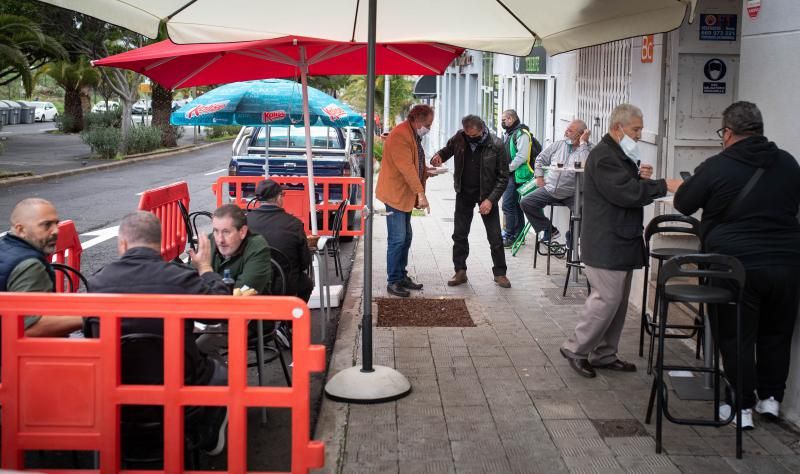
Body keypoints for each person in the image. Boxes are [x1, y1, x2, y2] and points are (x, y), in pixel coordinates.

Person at [674, 101, 800, 428]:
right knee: (777, 332)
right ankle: (771, 400)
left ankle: (741, 407)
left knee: (736, 334)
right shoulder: (788, 163)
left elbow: (684, 203)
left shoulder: (717, 166)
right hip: (787, 262)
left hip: (735, 265)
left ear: (728, 132)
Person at [87, 211, 230, 456]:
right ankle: (206, 432)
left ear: (122, 243)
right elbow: (221, 311)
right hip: (179, 392)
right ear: (159, 244)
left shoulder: (97, 283)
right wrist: (206, 267)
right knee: (221, 370)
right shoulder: (179, 278)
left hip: (113, 396)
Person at [559, 104, 681, 378]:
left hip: (619, 239)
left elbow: (625, 187)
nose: (639, 134)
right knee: (606, 299)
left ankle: (605, 354)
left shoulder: (618, 153)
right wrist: (663, 185)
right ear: (618, 128)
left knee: (618, 301)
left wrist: (640, 178)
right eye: (636, 129)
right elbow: (626, 193)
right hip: (606, 241)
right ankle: (576, 348)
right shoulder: (604, 156)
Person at [431, 115, 511, 288]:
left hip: (487, 195)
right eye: (467, 135)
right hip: (464, 193)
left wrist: (490, 200)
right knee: (459, 235)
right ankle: (460, 271)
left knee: (495, 237)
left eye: (473, 136)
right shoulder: (460, 137)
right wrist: (439, 156)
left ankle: (500, 273)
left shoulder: (496, 145)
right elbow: (448, 150)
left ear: (482, 129)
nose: (470, 138)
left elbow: (503, 177)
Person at [0, 198, 83, 336]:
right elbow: (30, 328)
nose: (56, 230)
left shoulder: (4, 247)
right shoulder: (30, 265)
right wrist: (89, 318)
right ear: (21, 230)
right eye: (46, 225)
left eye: (56, 223)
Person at [375, 104, 433, 297]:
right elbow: (406, 168)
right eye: (427, 124)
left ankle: (401, 275)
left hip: (403, 195)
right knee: (398, 238)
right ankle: (393, 281)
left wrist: (426, 172)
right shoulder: (401, 135)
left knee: (406, 237)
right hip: (395, 194)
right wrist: (421, 194)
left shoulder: (411, 133)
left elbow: (414, 163)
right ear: (416, 119)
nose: (429, 128)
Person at [520, 120, 591, 244]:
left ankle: (572, 236)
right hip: (550, 189)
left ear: (581, 134)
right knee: (526, 202)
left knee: (587, 212)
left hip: (574, 193)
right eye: (567, 129)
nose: (565, 133)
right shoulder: (559, 145)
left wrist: (583, 144)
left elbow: (586, 164)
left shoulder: (589, 149)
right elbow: (540, 159)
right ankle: (548, 229)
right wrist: (539, 176)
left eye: (570, 131)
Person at [246, 179, 314, 301]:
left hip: (251, 284)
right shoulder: (293, 224)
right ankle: (290, 318)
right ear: (278, 198)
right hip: (285, 286)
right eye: (282, 195)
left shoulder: (245, 222)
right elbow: (304, 262)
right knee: (307, 284)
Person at [500, 109, 542, 247]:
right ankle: (519, 235)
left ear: (511, 119)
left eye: (504, 120)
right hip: (512, 174)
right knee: (516, 206)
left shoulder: (521, 134)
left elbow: (522, 157)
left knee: (508, 205)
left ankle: (511, 235)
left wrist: (508, 168)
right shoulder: (510, 133)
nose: (502, 122)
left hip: (517, 175)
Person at [209, 204, 271, 296]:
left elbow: (238, 298)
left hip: (250, 308)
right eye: (216, 231)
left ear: (242, 232)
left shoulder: (257, 247)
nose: (220, 239)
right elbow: (189, 285)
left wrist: (205, 270)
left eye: (226, 232)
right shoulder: (209, 241)